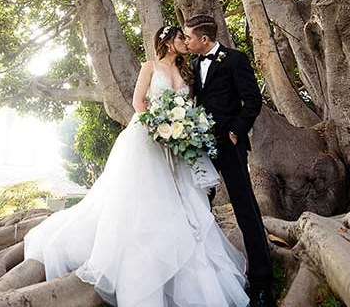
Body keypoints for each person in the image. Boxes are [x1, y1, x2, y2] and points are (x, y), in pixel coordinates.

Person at [24, 25, 249, 307]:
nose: (184, 42)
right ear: (167, 42)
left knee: (182, 202)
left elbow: (189, 106)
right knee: (145, 199)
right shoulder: (149, 67)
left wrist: (182, 131)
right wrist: (160, 127)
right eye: (180, 38)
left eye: (185, 38)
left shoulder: (186, 71)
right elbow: (138, 102)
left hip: (178, 144)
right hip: (148, 138)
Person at [183, 14, 275, 307]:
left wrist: (236, 131)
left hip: (230, 147)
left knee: (246, 209)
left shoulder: (235, 59)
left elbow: (253, 101)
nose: (186, 42)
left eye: (189, 38)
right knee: (198, 209)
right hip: (202, 148)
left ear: (204, 39)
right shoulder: (194, 65)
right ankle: (204, 279)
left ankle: (262, 284)